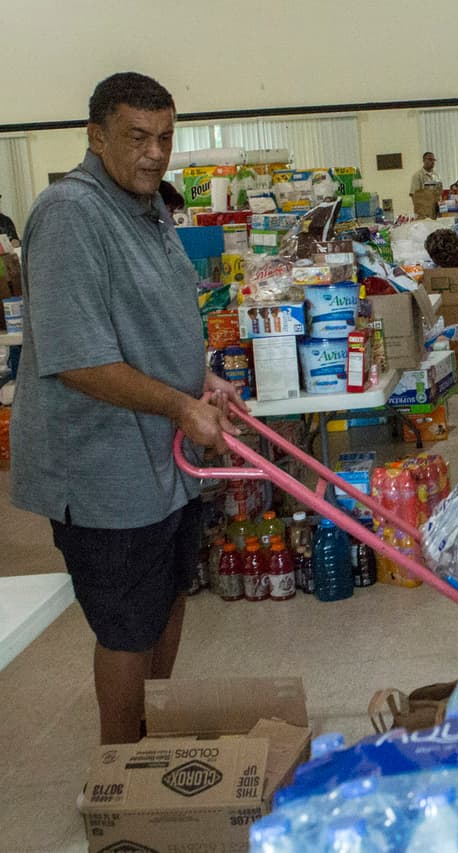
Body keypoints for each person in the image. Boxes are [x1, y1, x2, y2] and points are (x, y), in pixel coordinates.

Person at [9, 72, 241, 745]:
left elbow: (145, 321)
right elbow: (76, 356)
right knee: (125, 623)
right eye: (137, 136)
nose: (154, 152)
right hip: (102, 466)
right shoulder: (70, 214)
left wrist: (198, 380)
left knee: (167, 599)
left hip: (162, 456)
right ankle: (120, 772)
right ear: (96, 135)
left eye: (165, 136)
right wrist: (179, 405)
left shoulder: (148, 207)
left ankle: (151, 740)